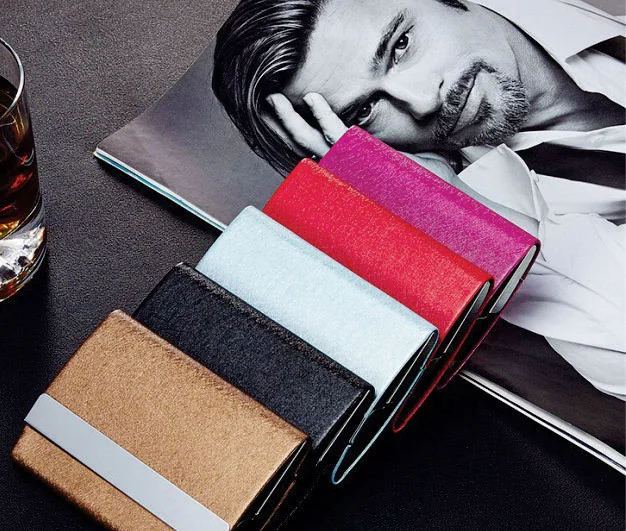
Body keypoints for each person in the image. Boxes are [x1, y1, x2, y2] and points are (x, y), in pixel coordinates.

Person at [212, 0, 626, 400]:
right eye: (364, 110)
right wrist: (444, 208)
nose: (423, 100)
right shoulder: (488, 201)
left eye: (401, 46)